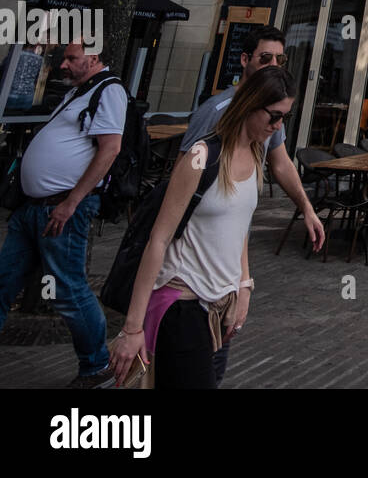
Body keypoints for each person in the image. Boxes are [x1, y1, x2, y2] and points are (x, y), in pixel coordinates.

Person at [108, 66, 295, 389]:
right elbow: (158, 240)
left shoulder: (254, 156)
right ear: (250, 104)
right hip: (181, 305)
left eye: (284, 119)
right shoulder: (201, 156)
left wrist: (244, 285)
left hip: (218, 307)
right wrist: (132, 328)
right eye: (274, 116)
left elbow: (239, 230)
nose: (278, 127)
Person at [180, 24, 324, 384]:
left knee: (215, 360)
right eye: (265, 58)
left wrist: (305, 207)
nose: (274, 65)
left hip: (229, 263)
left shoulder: (270, 115)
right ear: (245, 60)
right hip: (193, 269)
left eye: (280, 59)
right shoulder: (217, 112)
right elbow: (181, 185)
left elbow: (281, 161)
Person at [0, 40, 126, 387]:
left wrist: (71, 203)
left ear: (95, 56)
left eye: (72, 58)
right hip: (34, 210)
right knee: (3, 280)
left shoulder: (109, 91)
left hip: (61, 210)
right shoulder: (78, 92)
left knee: (68, 290)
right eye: (63, 58)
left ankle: (97, 367)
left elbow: (110, 149)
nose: (63, 65)